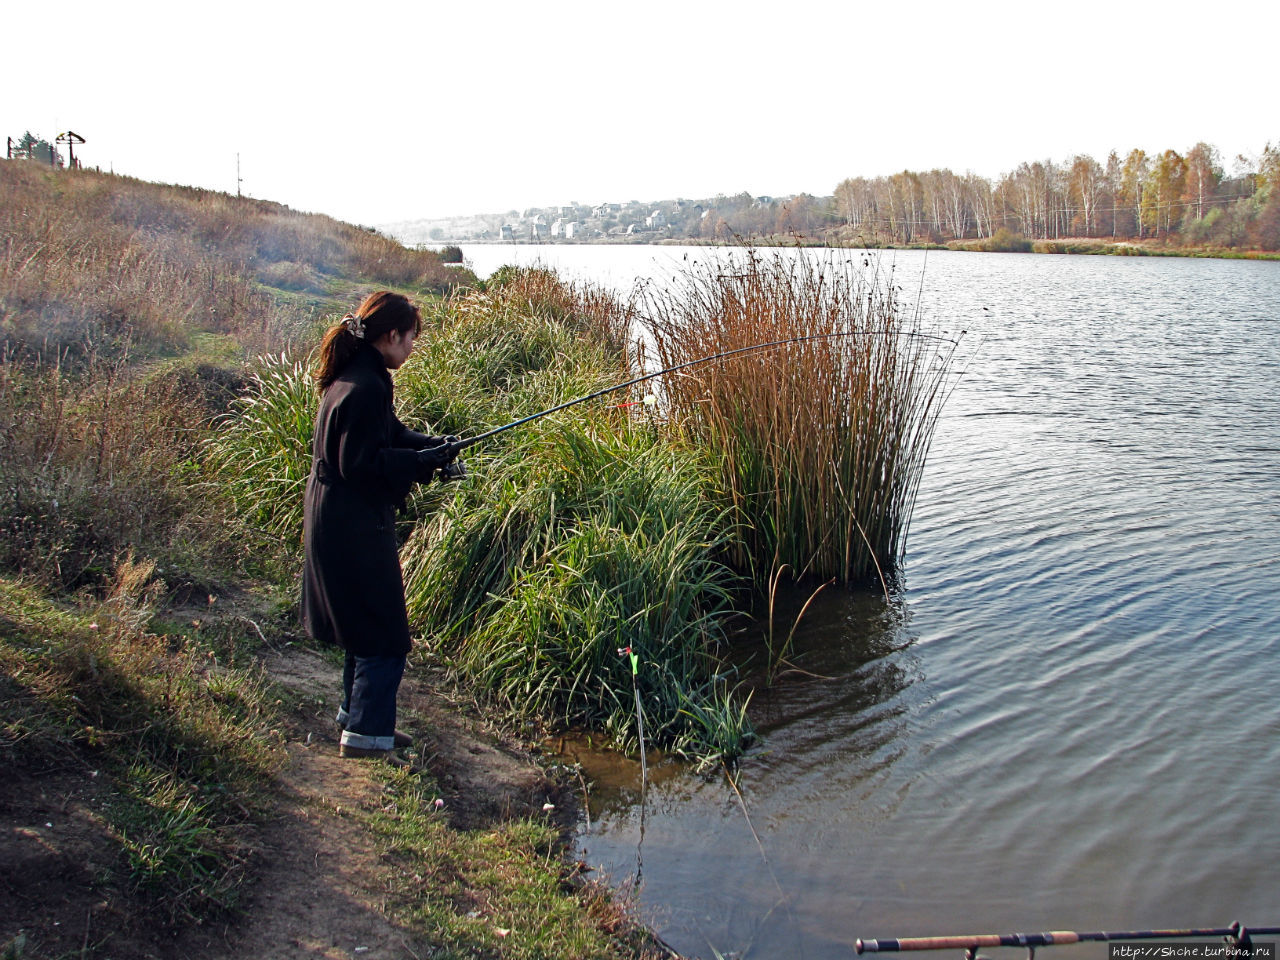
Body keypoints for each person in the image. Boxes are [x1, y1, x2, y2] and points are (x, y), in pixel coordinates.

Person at [301, 290, 464, 763]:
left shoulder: (358, 376)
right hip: (350, 524)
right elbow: (363, 464)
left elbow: (387, 435)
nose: (412, 348)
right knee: (385, 630)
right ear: (391, 335)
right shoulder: (366, 385)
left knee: (361, 621)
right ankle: (368, 738)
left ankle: (357, 718)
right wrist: (418, 462)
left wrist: (435, 448)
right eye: (411, 338)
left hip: (337, 517)